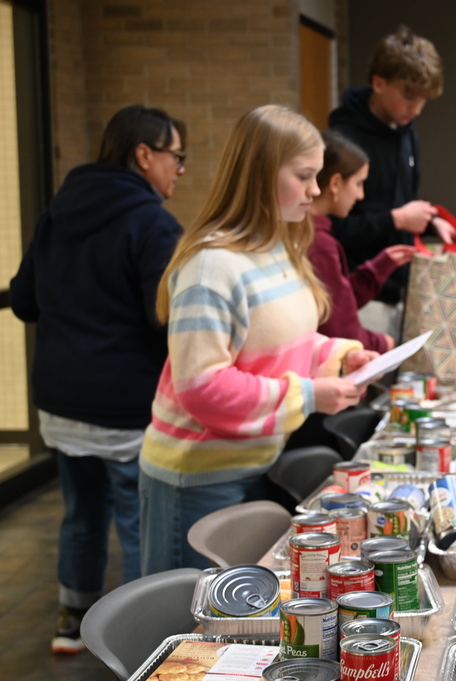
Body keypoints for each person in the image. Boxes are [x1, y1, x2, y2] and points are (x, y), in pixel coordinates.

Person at [139, 105, 378, 574]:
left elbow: (284, 344)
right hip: (198, 476)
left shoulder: (279, 247)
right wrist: (308, 395)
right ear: (262, 175)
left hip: (254, 462)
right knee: (195, 616)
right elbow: (202, 387)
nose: (315, 190)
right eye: (304, 176)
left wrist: (340, 357)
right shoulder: (212, 267)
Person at [9, 105, 186, 653]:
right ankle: (139, 640)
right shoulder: (153, 223)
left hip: (61, 400)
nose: (180, 170)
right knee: (137, 521)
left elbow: (24, 302)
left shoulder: (57, 213)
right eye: (176, 156)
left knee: (82, 514)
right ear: (144, 154)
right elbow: (165, 318)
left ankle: (73, 621)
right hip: (124, 403)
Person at [328, 24, 455, 340]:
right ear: (379, 83)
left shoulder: (407, 133)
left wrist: (430, 222)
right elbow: (331, 228)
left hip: (401, 290)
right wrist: (395, 219)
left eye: (423, 99)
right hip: (359, 293)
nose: (417, 109)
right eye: (409, 96)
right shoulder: (343, 141)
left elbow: (400, 202)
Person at [309, 130, 416, 352]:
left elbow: (339, 303)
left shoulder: (317, 236)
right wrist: (383, 343)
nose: (361, 195)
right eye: (358, 184)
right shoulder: (320, 244)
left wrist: (379, 267)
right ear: (336, 183)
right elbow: (340, 327)